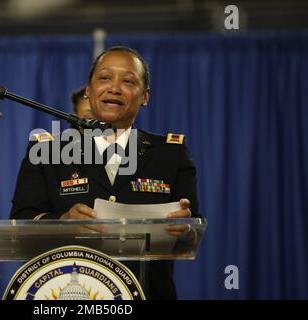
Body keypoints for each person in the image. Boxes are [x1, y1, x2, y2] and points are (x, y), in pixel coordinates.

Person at [11, 46, 199, 299]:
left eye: (128, 81)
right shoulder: (47, 151)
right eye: (105, 77)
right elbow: (20, 226)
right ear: (88, 91)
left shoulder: (171, 153)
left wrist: (185, 227)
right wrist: (62, 222)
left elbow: (191, 232)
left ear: (145, 96)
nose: (115, 87)